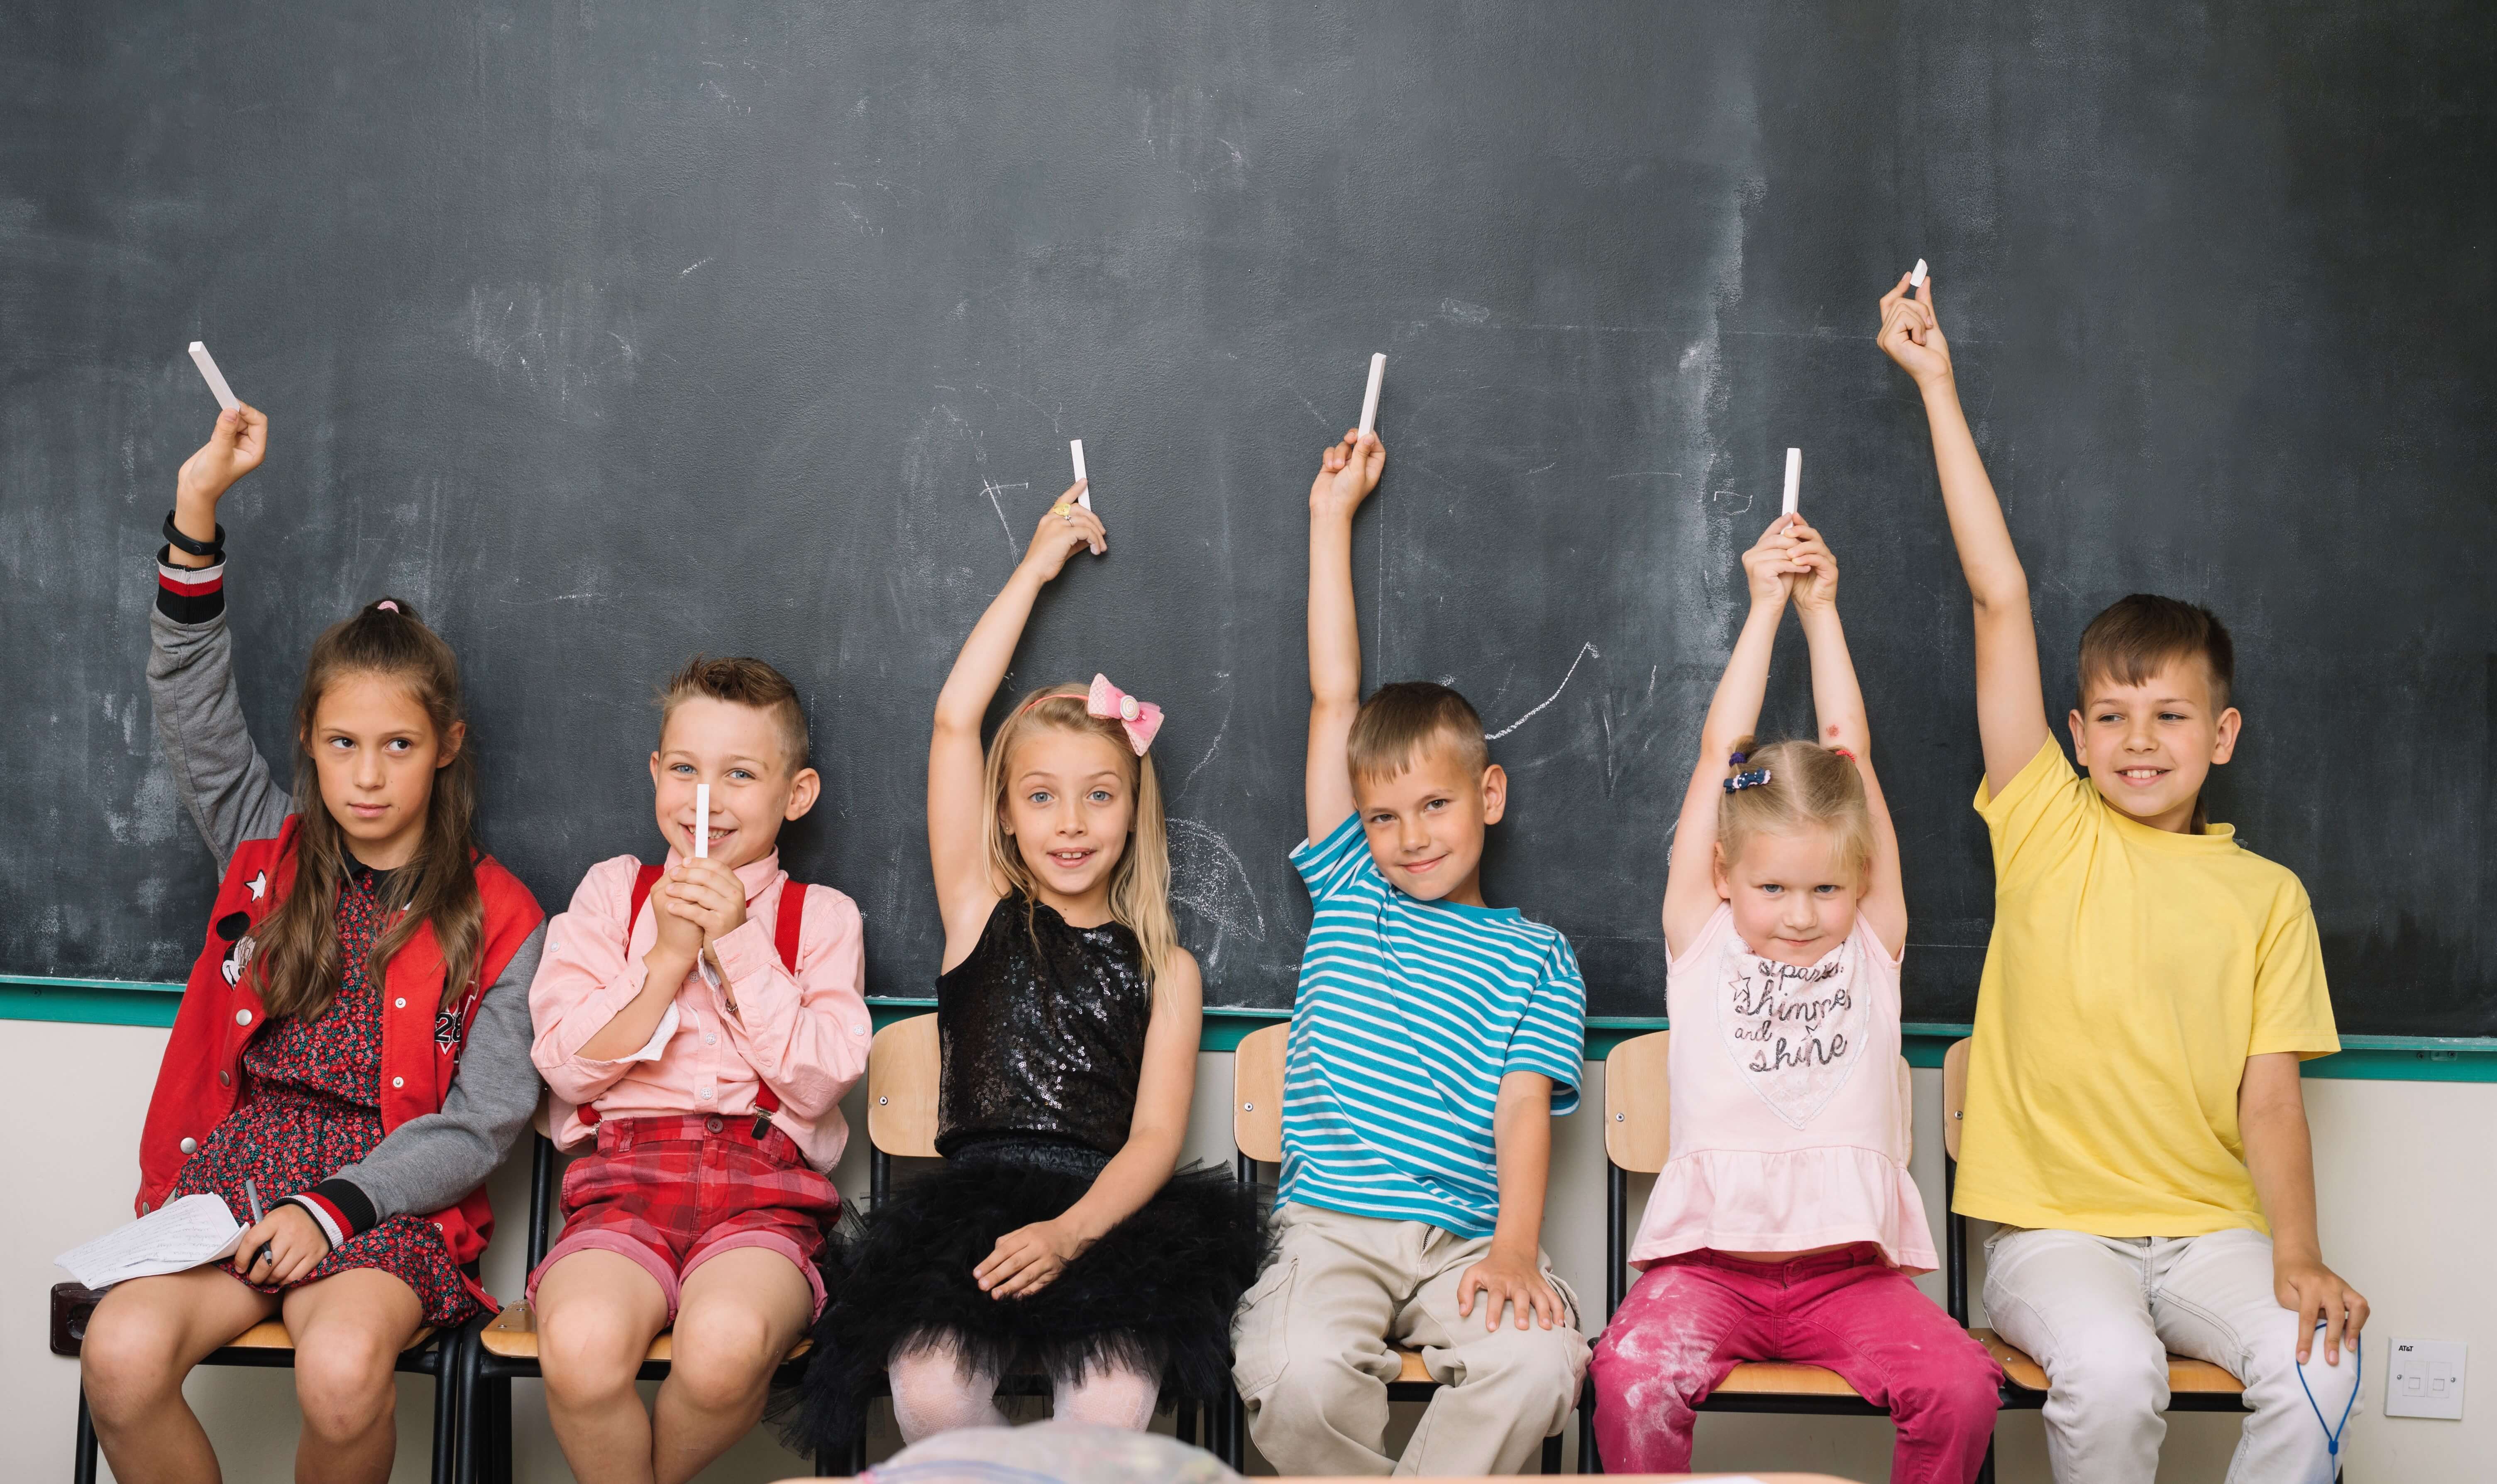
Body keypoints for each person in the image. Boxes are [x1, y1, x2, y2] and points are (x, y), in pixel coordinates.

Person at [1881, 268, 2366, 1483]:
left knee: (2322, 1360)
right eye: (2113, 716)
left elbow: (2271, 1103)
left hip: (2212, 1236)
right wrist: (1938, 384)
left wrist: (2298, 1252)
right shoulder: (2046, 823)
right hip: (2055, 1238)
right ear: (2078, 736)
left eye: (2171, 715)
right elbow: (2000, 598)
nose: (2141, 740)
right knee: (2109, 1375)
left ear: (2224, 735)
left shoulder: (2270, 899)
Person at [81, 405, 547, 1484]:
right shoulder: (263, 849)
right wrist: (198, 509)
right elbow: (189, 699)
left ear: (447, 750)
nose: (368, 777)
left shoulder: (506, 916)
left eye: (397, 746)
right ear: (309, 744)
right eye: (343, 744)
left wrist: (329, 1208)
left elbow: (480, 1127)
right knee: (120, 1350)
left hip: (387, 1201)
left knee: (339, 1368)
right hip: (235, 1184)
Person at [787, 482, 1263, 1455]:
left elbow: (1154, 1140)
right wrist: (1036, 566)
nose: (1072, 822)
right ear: (1004, 814)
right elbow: (956, 723)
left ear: (1133, 811)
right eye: (1042, 798)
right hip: (972, 1204)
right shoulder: (981, 913)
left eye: (1098, 796)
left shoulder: (1167, 968)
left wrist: (1071, 1233)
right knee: (926, 1387)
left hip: (1107, 1212)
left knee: (1113, 1407)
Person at [1588, 512, 2001, 1479]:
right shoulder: (1700, 940)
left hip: (1846, 1278)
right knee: (1630, 1378)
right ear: (1723, 874)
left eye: (1825, 888)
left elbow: (1847, 752)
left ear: (1860, 886)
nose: (1802, 913)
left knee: (1962, 1387)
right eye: (1773, 888)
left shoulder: (1870, 943)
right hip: (1706, 1276)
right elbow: (1716, 755)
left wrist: (1823, 613)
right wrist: (1764, 607)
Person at [1231, 428, 1591, 1476]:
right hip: (1330, 1228)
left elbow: (1526, 1107)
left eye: (1434, 805)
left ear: (1488, 797)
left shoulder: (1538, 956)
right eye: (1383, 815)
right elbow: (1333, 699)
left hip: (1468, 1244)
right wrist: (1327, 521)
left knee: (1537, 1367)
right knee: (1291, 1375)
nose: (1410, 835)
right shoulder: (1350, 888)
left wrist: (1519, 1251)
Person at [527, 655, 869, 1484]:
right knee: (578, 1349)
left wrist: (738, 945)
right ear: (655, 772)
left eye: (739, 774)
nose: (702, 796)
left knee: (723, 1353)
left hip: (763, 1196)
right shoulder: (612, 895)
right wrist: (665, 960)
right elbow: (565, 1069)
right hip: (621, 1184)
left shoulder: (821, 918)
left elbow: (820, 1080)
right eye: (684, 769)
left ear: (796, 794)